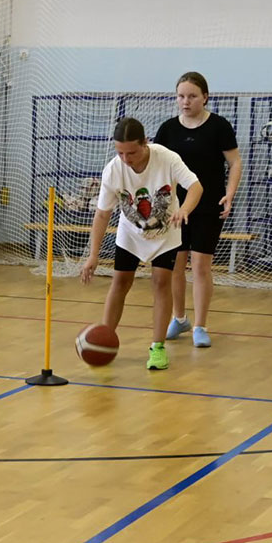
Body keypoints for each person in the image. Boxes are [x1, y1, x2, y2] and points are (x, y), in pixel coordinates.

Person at [77, 118, 203, 371]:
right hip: (131, 233)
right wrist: (93, 255)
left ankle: (157, 348)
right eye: (120, 153)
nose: (126, 159)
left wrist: (185, 210)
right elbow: (102, 214)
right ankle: (106, 339)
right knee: (120, 282)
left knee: (161, 282)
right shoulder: (113, 170)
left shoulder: (167, 158)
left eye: (131, 152)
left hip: (166, 232)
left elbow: (196, 187)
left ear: (145, 142)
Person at [153, 72, 241, 348]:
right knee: (175, 266)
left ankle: (200, 326)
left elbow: (235, 163)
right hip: (175, 208)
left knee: (201, 265)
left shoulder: (219, 126)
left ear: (205, 97)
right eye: (181, 96)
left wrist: (230, 193)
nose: (186, 101)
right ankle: (179, 318)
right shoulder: (168, 130)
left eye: (192, 96)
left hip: (208, 204)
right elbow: (157, 167)